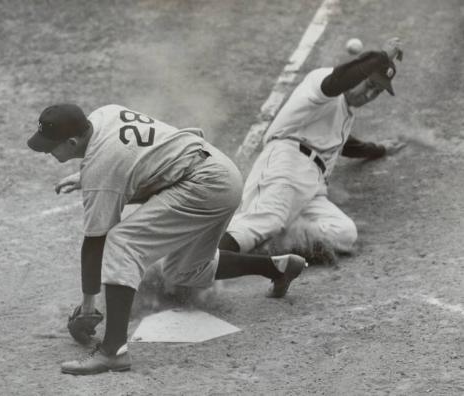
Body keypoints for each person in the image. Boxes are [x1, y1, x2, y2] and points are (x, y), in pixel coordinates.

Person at [27, 103, 307, 375]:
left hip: (203, 184)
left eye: (50, 145)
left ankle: (113, 352)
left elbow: (95, 242)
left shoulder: (102, 168)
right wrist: (85, 174)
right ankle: (278, 268)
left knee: (123, 241)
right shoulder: (104, 114)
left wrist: (88, 308)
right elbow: (130, 155)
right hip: (219, 172)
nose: (46, 150)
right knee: (184, 271)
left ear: (73, 143)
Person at [219, 38, 405, 260]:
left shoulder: (345, 110)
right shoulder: (323, 86)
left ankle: (274, 244)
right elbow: (338, 80)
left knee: (344, 232)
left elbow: (340, 143)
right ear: (358, 74)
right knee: (262, 222)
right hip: (285, 166)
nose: (369, 96)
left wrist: (377, 149)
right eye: (369, 86)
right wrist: (381, 56)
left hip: (312, 187)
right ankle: (194, 265)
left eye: (377, 93)